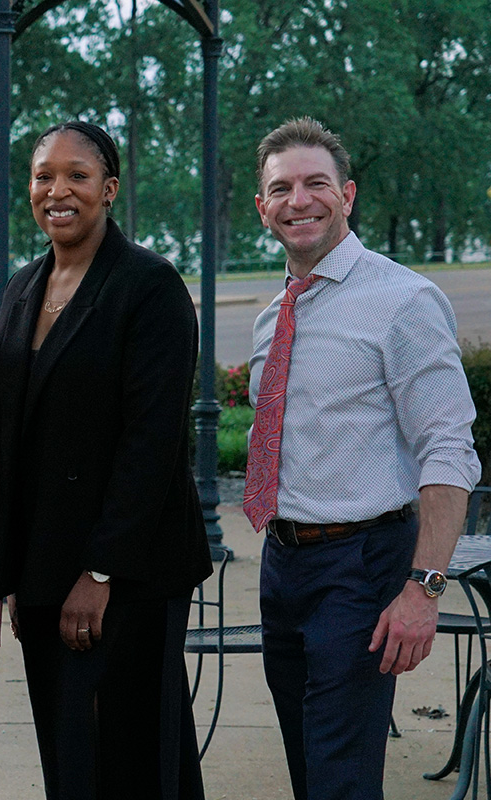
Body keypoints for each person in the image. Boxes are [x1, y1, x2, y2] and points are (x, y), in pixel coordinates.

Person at [245, 117, 481, 800]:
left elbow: (449, 451)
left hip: (362, 563)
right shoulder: (273, 316)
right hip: (283, 563)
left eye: (316, 183)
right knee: (308, 768)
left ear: (347, 194)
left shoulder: (401, 301)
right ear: (262, 208)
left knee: (339, 777)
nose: (300, 200)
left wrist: (424, 588)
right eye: (281, 188)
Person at [0, 121, 210, 800]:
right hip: (46, 574)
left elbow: (152, 443)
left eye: (77, 176)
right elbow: (14, 441)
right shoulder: (23, 288)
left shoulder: (149, 286)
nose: (57, 191)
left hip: (128, 575)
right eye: (42, 175)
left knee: (134, 760)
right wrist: (18, 576)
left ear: (109, 189)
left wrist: (100, 570)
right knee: (71, 760)